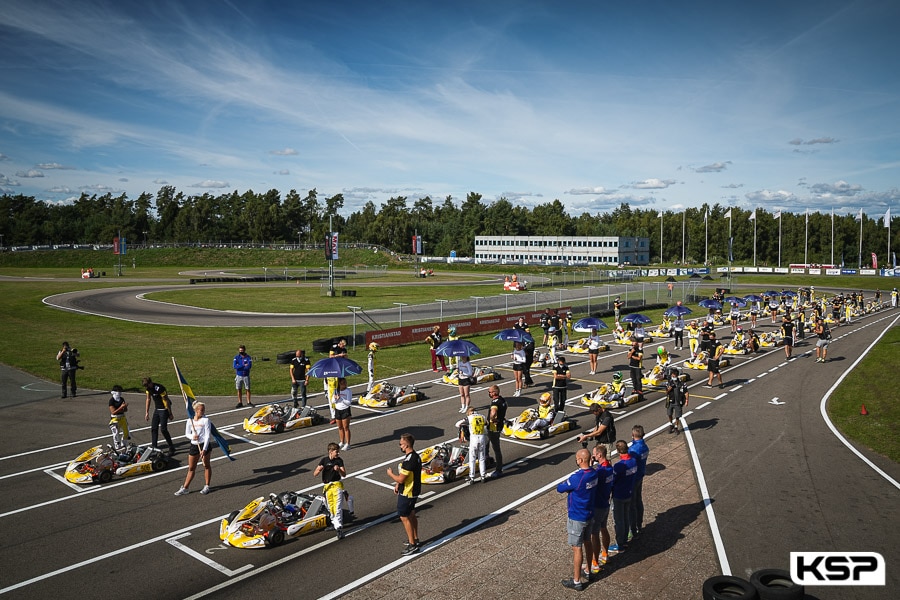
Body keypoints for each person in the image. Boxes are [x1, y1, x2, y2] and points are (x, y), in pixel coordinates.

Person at [556, 448, 598, 591]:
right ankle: (588, 569)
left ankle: (576, 581)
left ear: (580, 460)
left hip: (577, 516)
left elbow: (560, 488)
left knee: (577, 547)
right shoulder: (594, 473)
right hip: (589, 513)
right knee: (588, 541)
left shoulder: (577, 478)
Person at [386, 433, 422, 555]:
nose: (400, 446)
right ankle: (415, 539)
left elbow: (401, 478)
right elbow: (407, 477)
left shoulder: (409, 460)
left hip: (408, 492)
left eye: (401, 444)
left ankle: (412, 544)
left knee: (404, 516)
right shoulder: (415, 456)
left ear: (406, 444)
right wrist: (398, 485)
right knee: (411, 513)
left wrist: (391, 475)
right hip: (412, 489)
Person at [175, 401, 213, 495]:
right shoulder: (190, 421)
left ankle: (207, 485)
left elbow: (208, 435)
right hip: (194, 446)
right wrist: (193, 437)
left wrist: (204, 449)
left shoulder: (206, 420)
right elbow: (187, 434)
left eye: (204, 409)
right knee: (191, 467)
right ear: (196, 410)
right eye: (201, 410)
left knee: (206, 465)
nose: (203, 411)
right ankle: (185, 488)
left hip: (204, 445)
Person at [589, 444, 615, 572]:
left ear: (599, 455)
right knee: (604, 529)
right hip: (605, 503)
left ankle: (594, 562)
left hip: (598, 505)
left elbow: (590, 478)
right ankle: (605, 555)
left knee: (594, 534)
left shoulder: (600, 471)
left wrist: (589, 465)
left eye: (594, 454)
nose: (593, 455)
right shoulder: (609, 468)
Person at [314, 442, 348, 539]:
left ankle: (339, 528)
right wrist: (320, 469)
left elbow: (344, 474)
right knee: (330, 508)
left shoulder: (339, 461)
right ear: (330, 451)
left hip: (337, 486)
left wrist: (339, 470)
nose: (338, 454)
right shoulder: (324, 460)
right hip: (327, 487)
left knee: (337, 508)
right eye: (336, 452)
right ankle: (336, 525)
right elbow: (315, 473)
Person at [609, 440, 637, 553]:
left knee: (619, 520)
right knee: (625, 517)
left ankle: (620, 544)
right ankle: (625, 539)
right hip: (629, 493)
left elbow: (613, 481)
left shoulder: (619, 466)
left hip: (619, 495)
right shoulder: (634, 461)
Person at [143, 377, 176, 456]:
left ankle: (171, 447)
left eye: (147, 385)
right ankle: (154, 447)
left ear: (151, 383)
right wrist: (147, 412)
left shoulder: (159, 388)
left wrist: (170, 413)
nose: (147, 387)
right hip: (157, 409)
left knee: (163, 429)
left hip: (164, 409)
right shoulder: (148, 389)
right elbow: (148, 399)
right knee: (154, 428)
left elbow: (166, 400)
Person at [457, 407, 487, 483]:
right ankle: (483, 476)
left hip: (474, 439)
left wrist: (465, 423)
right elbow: (487, 423)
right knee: (482, 458)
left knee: (472, 459)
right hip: (482, 438)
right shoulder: (482, 416)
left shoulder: (469, 418)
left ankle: (472, 477)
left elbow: (457, 424)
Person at [629, 425, 649, 538]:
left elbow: (629, 466)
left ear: (633, 435)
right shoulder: (645, 447)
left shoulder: (633, 450)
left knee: (632, 505)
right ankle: (639, 524)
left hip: (633, 478)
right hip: (640, 475)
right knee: (638, 501)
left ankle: (633, 528)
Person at [485, 384, 507, 479]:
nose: (489, 393)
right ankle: (487, 460)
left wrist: (491, 418)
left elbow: (493, 412)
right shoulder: (503, 401)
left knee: (495, 448)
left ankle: (498, 469)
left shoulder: (495, 402)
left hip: (493, 427)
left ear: (494, 392)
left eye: (490, 392)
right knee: (487, 444)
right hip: (499, 425)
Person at [665, 368, 689, 434]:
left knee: (677, 416)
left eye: (674, 376)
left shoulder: (681, 383)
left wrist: (686, 400)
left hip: (678, 402)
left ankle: (676, 427)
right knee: (669, 414)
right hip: (670, 401)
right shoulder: (669, 383)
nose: (673, 377)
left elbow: (686, 392)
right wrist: (670, 388)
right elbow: (666, 392)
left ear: (677, 375)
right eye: (672, 376)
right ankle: (670, 424)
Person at [332, 377, 353, 450]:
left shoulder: (348, 391)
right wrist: (335, 399)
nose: (344, 384)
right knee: (340, 427)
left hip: (345, 410)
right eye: (342, 383)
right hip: (338, 410)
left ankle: (348, 444)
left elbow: (349, 403)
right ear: (339, 384)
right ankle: (342, 441)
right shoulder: (336, 390)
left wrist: (341, 398)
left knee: (346, 427)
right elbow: (332, 401)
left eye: (345, 382)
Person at [108, 385, 130, 450]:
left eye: (121, 391)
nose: (120, 393)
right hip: (115, 418)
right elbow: (113, 412)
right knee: (116, 434)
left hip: (122, 417)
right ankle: (117, 447)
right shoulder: (111, 401)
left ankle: (124, 446)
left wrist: (125, 407)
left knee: (126, 432)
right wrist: (121, 407)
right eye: (118, 391)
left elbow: (125, 410)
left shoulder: (122, 399)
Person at [515, 317, 535, 386]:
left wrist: (524, 348)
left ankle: (527, 383)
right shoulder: (522, 340)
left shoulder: (531, 341)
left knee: (526, 370)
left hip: (529, 357)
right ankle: (529, 382)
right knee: (525, 370)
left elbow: (531, 348)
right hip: (524, 357)